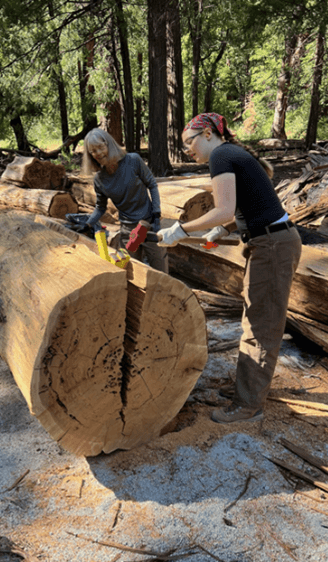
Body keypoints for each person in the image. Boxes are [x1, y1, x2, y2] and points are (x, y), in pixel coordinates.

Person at [157, 112, 302, 424]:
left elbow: (223, 209)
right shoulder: (232, 154)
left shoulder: (221, 155)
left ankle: (249, 405)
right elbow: (251, 202)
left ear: (208, 133)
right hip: (268, 241)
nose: (188, 150)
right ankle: (245, 390)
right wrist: (222, 231)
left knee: (261, 324)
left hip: (273, 245)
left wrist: (182, 229)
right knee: (254, 318)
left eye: (189, 143)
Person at [77, 128, 168, 273]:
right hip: (127, 231)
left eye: (101, 147)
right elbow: (100, 208)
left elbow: (152, 184)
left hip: (150, 225)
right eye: (93, 151)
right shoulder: (99, 180)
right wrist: (88, 224)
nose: (98, 153)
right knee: (133, 274)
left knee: (162, 272)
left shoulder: (133, 160)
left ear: (109, 145)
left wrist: (156, 214)